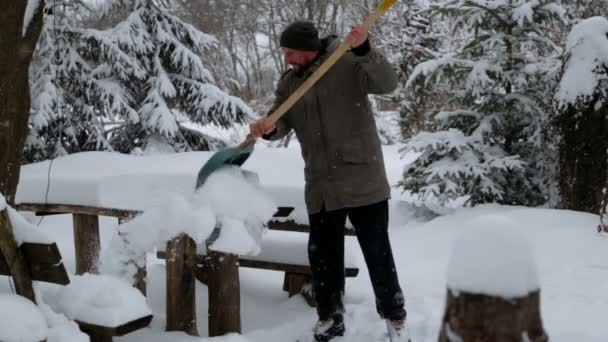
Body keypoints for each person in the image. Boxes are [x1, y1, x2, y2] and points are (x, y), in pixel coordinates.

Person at [250, 21, 410, 342]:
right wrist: (269, 128)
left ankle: (395, 318)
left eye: (291, 52)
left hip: (362, 178)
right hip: (321, 186)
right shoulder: (291, 83)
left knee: (377, 253)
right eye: (284, 52)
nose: (287, 58)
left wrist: (364, 49)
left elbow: (387, 83)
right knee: (324, 259)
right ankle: (330, 318)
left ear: (308, 48)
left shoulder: (346, 62)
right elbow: (281, 118)